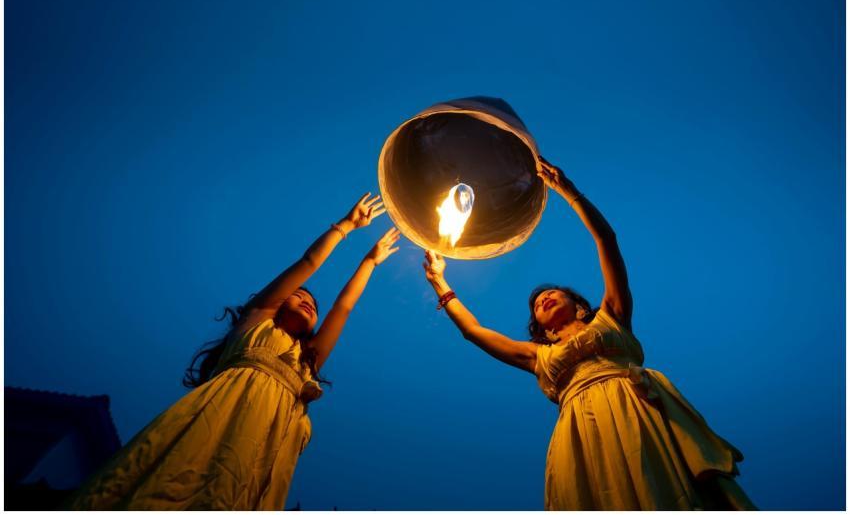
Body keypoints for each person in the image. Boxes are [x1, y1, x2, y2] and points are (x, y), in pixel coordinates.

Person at [422, 157, 757, 510]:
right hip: (582, 430)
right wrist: (439, 282)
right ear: (541, 327)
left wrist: (568, 191)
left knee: (661, 486)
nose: (543, 298)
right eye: (537, 305)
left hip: (638, 407)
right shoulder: (538, 356)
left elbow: (606, 240)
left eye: (552, 293)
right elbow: (473, 331)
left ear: (579, 305)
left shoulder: (613, 317)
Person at [68, 192, 401, 510]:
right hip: (220, 415)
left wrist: (370, 262)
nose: (308, 302)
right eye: (299, 295)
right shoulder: (258, 320)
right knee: (173, 483)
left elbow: (343, 307)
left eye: (314, 304)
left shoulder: (308, 359)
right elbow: (309, 261)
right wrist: (346, 225)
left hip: (271, 445)